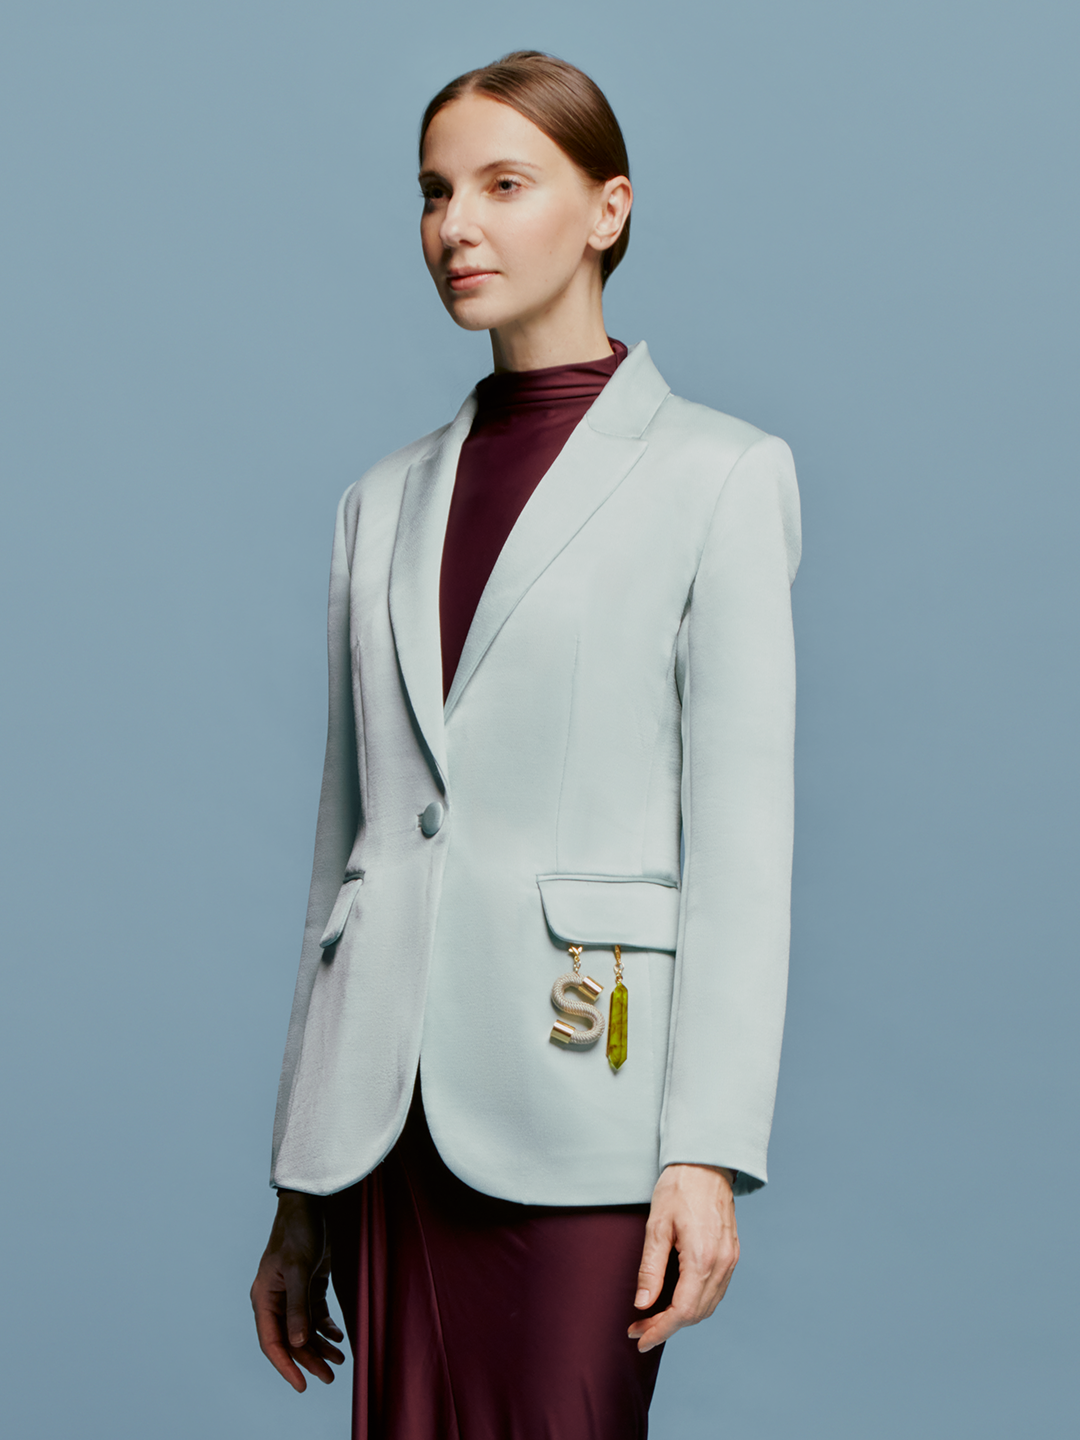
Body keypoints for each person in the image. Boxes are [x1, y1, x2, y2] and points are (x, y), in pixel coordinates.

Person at [250, 50, 801, 1440]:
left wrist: (709, 1153)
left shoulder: (720, 477)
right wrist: (299, 1184)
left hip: (586, 1102)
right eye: (436, 192)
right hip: (384, 1123)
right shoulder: (377, 504)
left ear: (608, 210)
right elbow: (351, 846)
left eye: (505, 184)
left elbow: (744, 843)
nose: (457, 227)